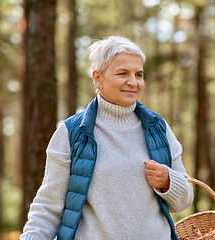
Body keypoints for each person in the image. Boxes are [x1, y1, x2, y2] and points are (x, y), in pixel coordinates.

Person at [20, 36, 194, 240]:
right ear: (97, 78)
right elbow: (48, 206)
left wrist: (168, 181)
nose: (133, 82)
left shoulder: (158, 128)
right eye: (123, 73)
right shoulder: (72, 132)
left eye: (139, 74)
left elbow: (184, 200)